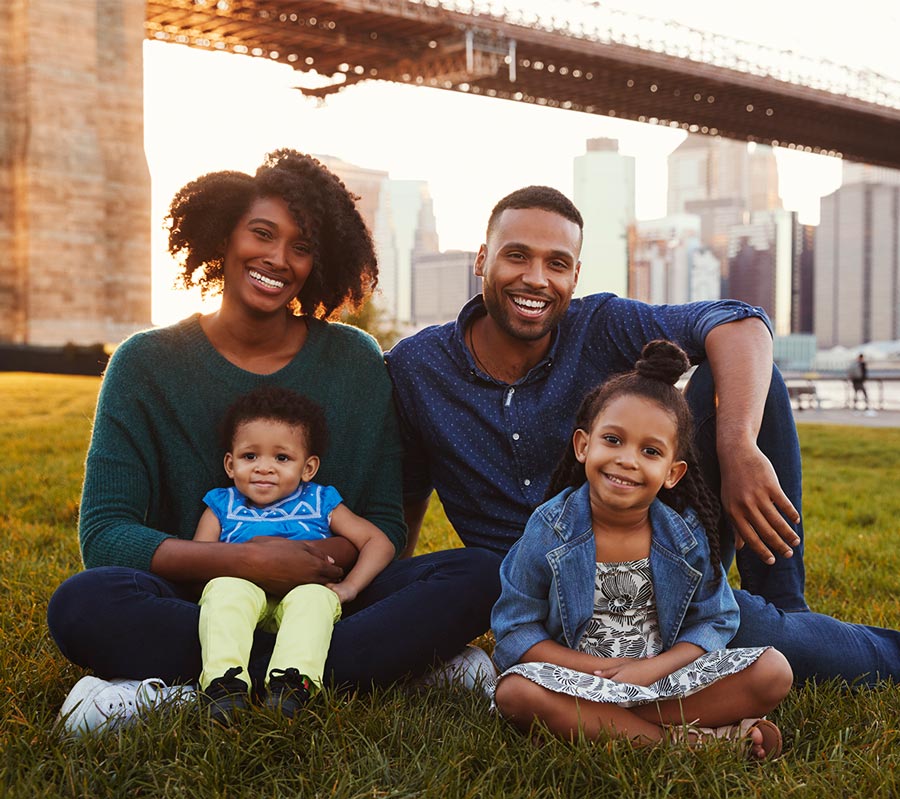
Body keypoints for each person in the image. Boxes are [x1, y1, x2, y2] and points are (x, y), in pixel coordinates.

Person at [48, 150, 496, 735]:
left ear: (320, 262)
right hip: (194, 601)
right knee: (81, 604)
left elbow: (384, 522)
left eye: (302, 247)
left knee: (482, 573)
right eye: (262, 234)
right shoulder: (145, 363)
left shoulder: (354, 362)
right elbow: (107, 537)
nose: (278, 259)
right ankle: (380, 670)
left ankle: (186, 689)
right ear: (223, 234)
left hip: (324, 598)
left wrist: (312, 562)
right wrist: (247, 559)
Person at [385, 185, 900, 686]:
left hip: (657, 559)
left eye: (557, 263)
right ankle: (785, 629)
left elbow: (740, 323)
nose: (536, 279)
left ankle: (785, 599)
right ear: (482, 260)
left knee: (743, 375)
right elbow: (408, 493)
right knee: (774, 640)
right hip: (549, 599)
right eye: (516, 256)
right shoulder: (418, 367)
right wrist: (406, 611)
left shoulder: (599, 323)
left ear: (575, 274)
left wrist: (738, 446)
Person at [491, 341, 791, 758]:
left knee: (772, 671)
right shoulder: (549, 527)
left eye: (650, 451)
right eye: (612, 440)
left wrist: (648, 671)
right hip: (578, 682)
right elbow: (516, 628)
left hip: (660, 682)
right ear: (583, 446)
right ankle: (690, 743)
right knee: (516, 693)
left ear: (672, 472)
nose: (627, 460)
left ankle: (592, 730)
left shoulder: (684, 535)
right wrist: (604, 676)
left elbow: (715, 619)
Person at [194, 386, 395, 723]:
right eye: (250, 456)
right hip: (242, 599)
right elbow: (200, 559)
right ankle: (224, 686)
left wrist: (351, 587)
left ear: (308, 467)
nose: (264, 468)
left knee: (314, 598)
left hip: (302, 600)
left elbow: (378, 542)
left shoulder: (321, 501)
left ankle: (290, 687)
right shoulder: (220, 505)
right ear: (230, 464)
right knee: (227, 590)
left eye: (282, 458)